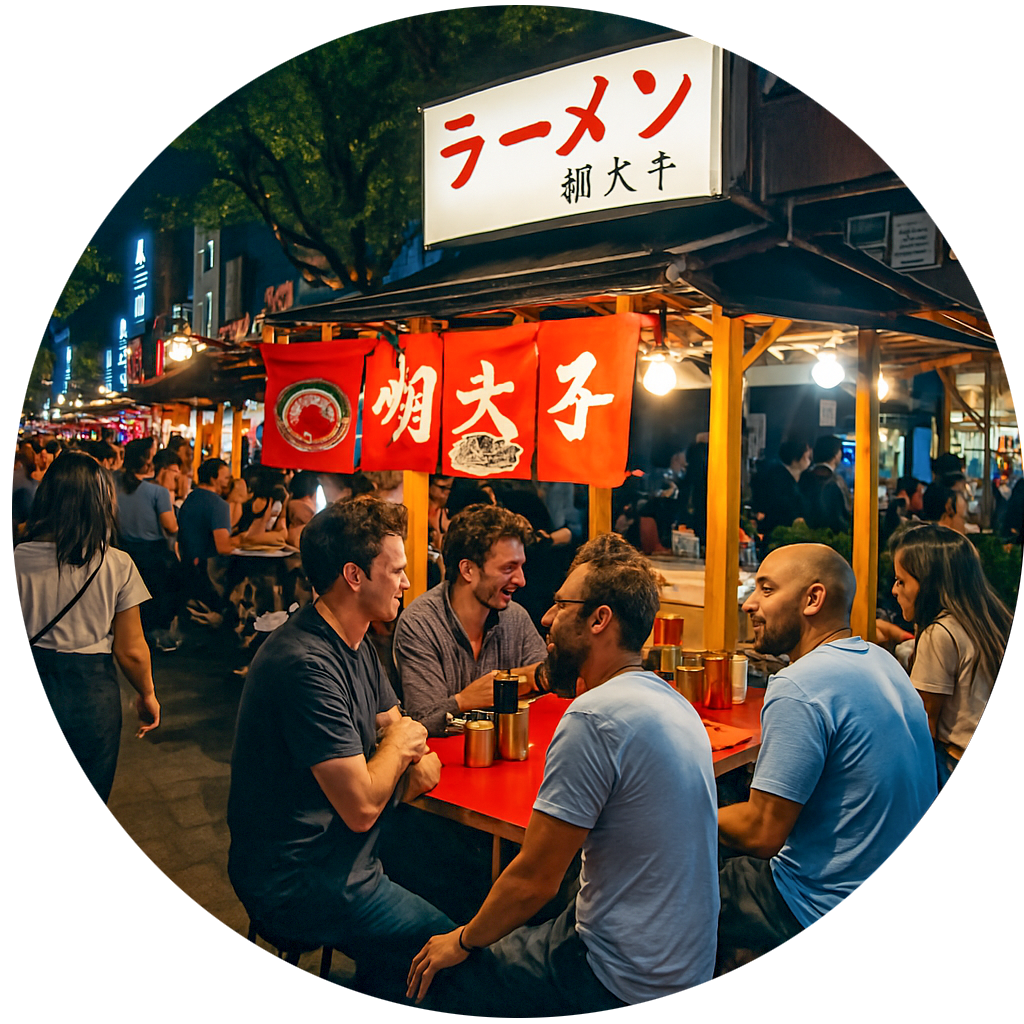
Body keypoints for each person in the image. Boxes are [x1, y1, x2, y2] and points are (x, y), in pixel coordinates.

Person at [406, 533, 720, 1014]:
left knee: (444, 973)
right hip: (688, 962)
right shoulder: (670, 698)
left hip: (619, 975)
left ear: (599, 619)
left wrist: (462, 939)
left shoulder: (595, 716)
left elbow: (534, 880)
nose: (546, 617)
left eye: (560, 604)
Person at [226, 497, 454, 1007]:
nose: (406, 582)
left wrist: (395, 750)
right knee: (456, 949)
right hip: (300, 880)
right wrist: (397, 747)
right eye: (395, 570)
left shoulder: (356, 643)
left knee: (456, 878)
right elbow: (363, 805)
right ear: (354, 575)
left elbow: (414, 750)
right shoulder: (304, 662)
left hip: (347, 856)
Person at [716, 543, 936, 978]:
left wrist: (676, 813)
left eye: (766, 589)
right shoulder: (881, 660)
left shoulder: (801, 684)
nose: (749, 603)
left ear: (813, 599)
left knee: (668, 882)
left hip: (816, 904)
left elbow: (762, 834)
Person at [13, 452, 161, 809]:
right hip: (90, 693)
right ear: (101, 504)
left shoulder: (15, 558)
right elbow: (130, 649)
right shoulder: (117, 564)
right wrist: (147, 694)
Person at [393, 504, 548, 737]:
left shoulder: (515, 617)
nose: (521, 580)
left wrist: (510, 681)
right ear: (467, 570)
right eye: (509, 568)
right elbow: (422, 720)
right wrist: (465, 700)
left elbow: (547, 682)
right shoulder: (420, 623)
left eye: (521, 567)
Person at [890, 524, 1012, 787]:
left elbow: (924, 722)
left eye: (901, 581)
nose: (894, 590)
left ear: (930, 584)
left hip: (952, 759)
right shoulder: (991, 620)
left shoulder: (939, 633)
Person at [115, 438, 181, 652]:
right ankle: (157, 638)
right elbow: (170, 525)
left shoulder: (114, 485)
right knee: (156, 597)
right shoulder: (157, 492)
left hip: (123, 549)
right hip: (152, 554)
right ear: (147, 462)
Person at [176, 458, 241, 617]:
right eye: (226, 477)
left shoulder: (190, 499)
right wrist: (244, 539)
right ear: (213, 479)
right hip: (210, 575)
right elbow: (223, 546)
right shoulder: (218, 504)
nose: (229, 481)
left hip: (187, 569)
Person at [751, 438, 812, 552]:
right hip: (778, 537)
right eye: (807, 454)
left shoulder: (796, 478)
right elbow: (781, 507)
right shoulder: (778, 478)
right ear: (796, 457)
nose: (809, 458)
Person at [799, 435, 852, 533]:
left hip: (807, 534)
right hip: (834, 535)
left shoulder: (804, 476)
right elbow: (842, 516)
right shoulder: (836, 481)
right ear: (836, 454)